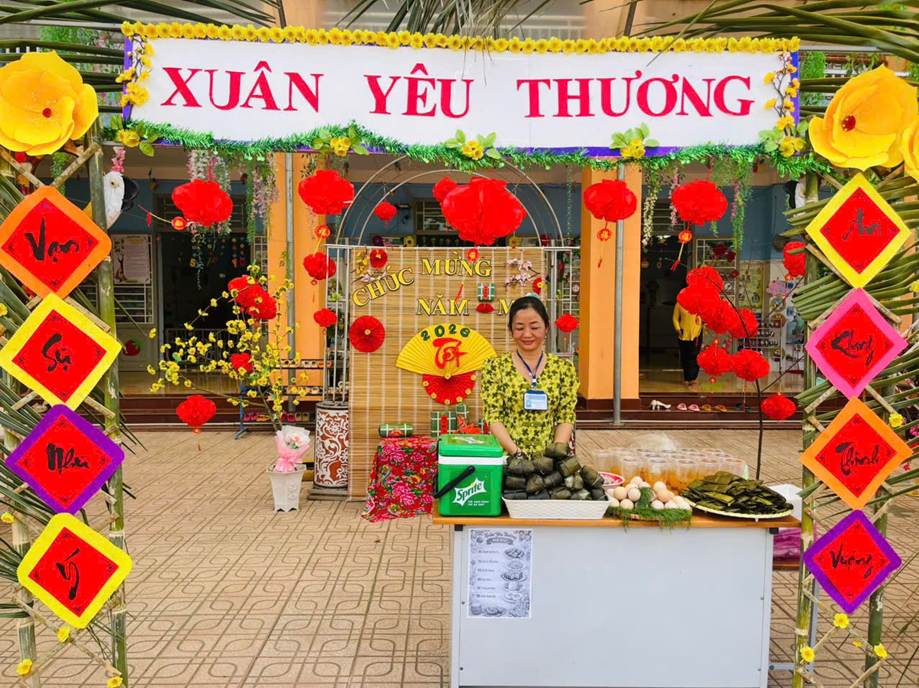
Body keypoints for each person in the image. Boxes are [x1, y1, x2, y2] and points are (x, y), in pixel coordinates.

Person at [479, 295, 579, 461]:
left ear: (546, 327)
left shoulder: (563, 369)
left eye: (534, 327)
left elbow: (566, 416)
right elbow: (493, 417)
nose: (527, 334)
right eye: (519, 327)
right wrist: (517, 454)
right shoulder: (495, 367)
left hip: (550, 462)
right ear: (511, 330)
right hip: (508, 460)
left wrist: (554, 455)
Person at [672, 299, 702, 387]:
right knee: (685, 356)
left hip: (696, 334)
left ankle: (693, 378)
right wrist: (678, 329)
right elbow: (675, 318)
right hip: (683, 334)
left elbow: (704, 317)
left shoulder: (699, 304)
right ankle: (687, 378)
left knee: (695, 355)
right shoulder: (679, 304)